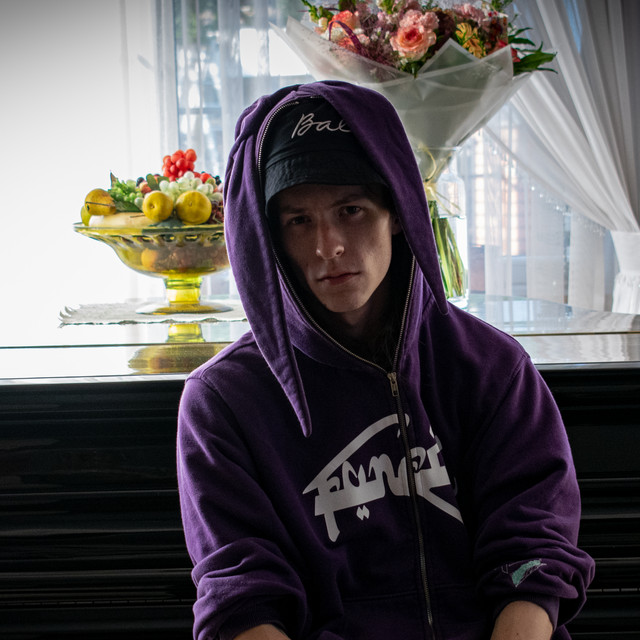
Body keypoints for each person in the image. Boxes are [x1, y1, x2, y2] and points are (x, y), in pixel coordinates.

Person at [177, 80, 594, 640]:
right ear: (271, 237)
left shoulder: (492, 367)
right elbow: (243, 597)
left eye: (350, 210)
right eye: (299, 221)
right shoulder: (223, 401)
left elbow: (533, 554)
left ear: (397, 210)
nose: (327, 246)